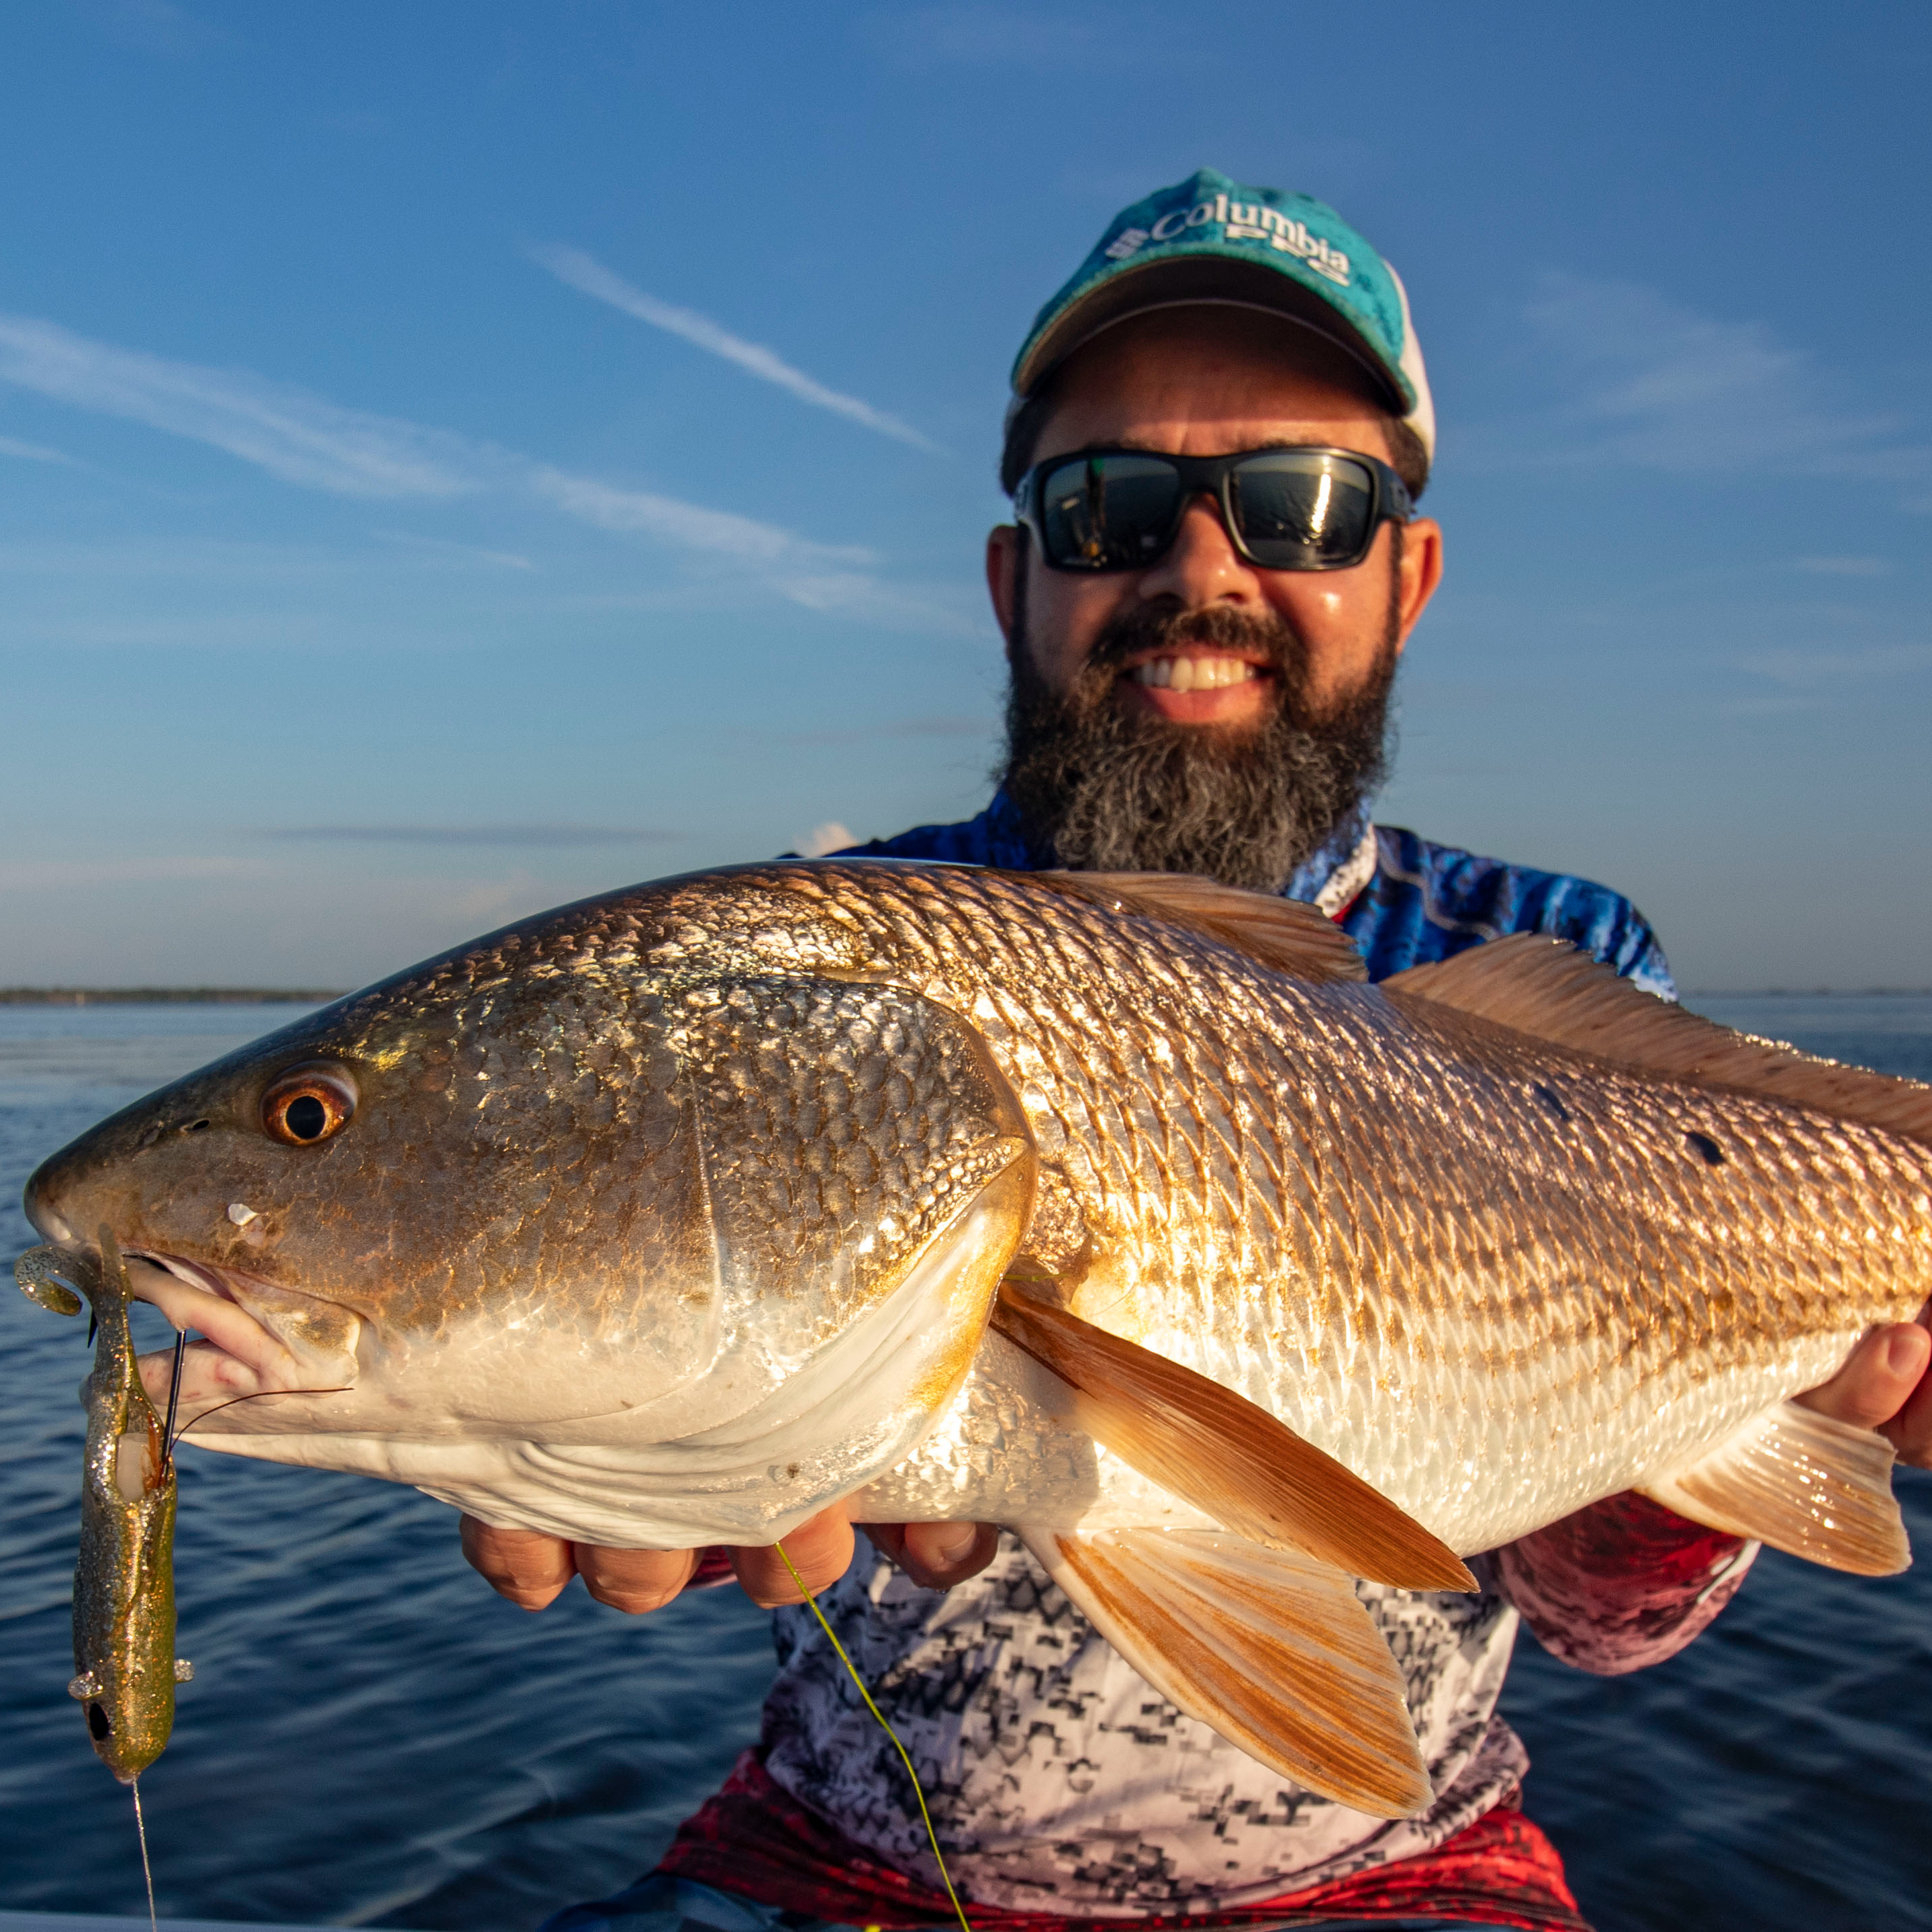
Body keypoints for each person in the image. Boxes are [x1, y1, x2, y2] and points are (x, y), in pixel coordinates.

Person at [463, 171, 1932, 1932]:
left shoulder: (1547, 960)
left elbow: (1601, 1627)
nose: (1200, 569)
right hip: (832, 1849)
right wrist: (557, 1418)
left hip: (1395, 1859)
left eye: (1304, 504)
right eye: (1109, 506)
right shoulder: (826, 951)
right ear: (1016, 574)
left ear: (1411, 572)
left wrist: (1768, 1426)